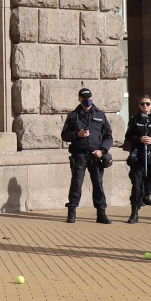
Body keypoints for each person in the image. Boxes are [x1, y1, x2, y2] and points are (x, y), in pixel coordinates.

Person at [61, 87, 113, 224]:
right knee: (76, 183)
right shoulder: (73, 115)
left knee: (98, 184)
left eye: (89, 97)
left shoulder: (100, 115)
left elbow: (108, 136)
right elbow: (64, 135)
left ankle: (101, 213)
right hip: (80, 155)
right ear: (79, 99)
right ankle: (71, 212)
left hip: (96, 156)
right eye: (84, 98)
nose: (87, 100)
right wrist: (77, 134)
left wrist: (102, 150)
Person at [122, 95, 151, 224]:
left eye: (147, 104)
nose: (145, 106)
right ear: (139, 105)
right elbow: (128, 136)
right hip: (139, 156)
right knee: (137, 186)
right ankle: (134, 213)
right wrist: (139, 139)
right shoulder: (134, 120)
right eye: (142, 104)